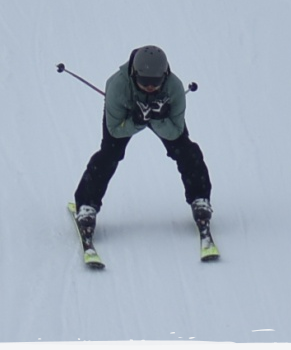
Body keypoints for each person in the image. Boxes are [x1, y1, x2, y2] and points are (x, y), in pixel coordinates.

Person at [71, 46, 214, 239]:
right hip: (126, 114)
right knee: (109, 154)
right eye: (145, 81)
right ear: (133, 74)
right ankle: (86, 204)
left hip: (163, 116)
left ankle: (200, 198)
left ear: (165, 76)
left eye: (156, 82)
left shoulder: (174, 88)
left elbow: (175, 132)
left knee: (187, 151)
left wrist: (158, 118)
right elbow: (115, 130)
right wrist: (137, 121)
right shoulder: (117, 87)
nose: (150, 87)